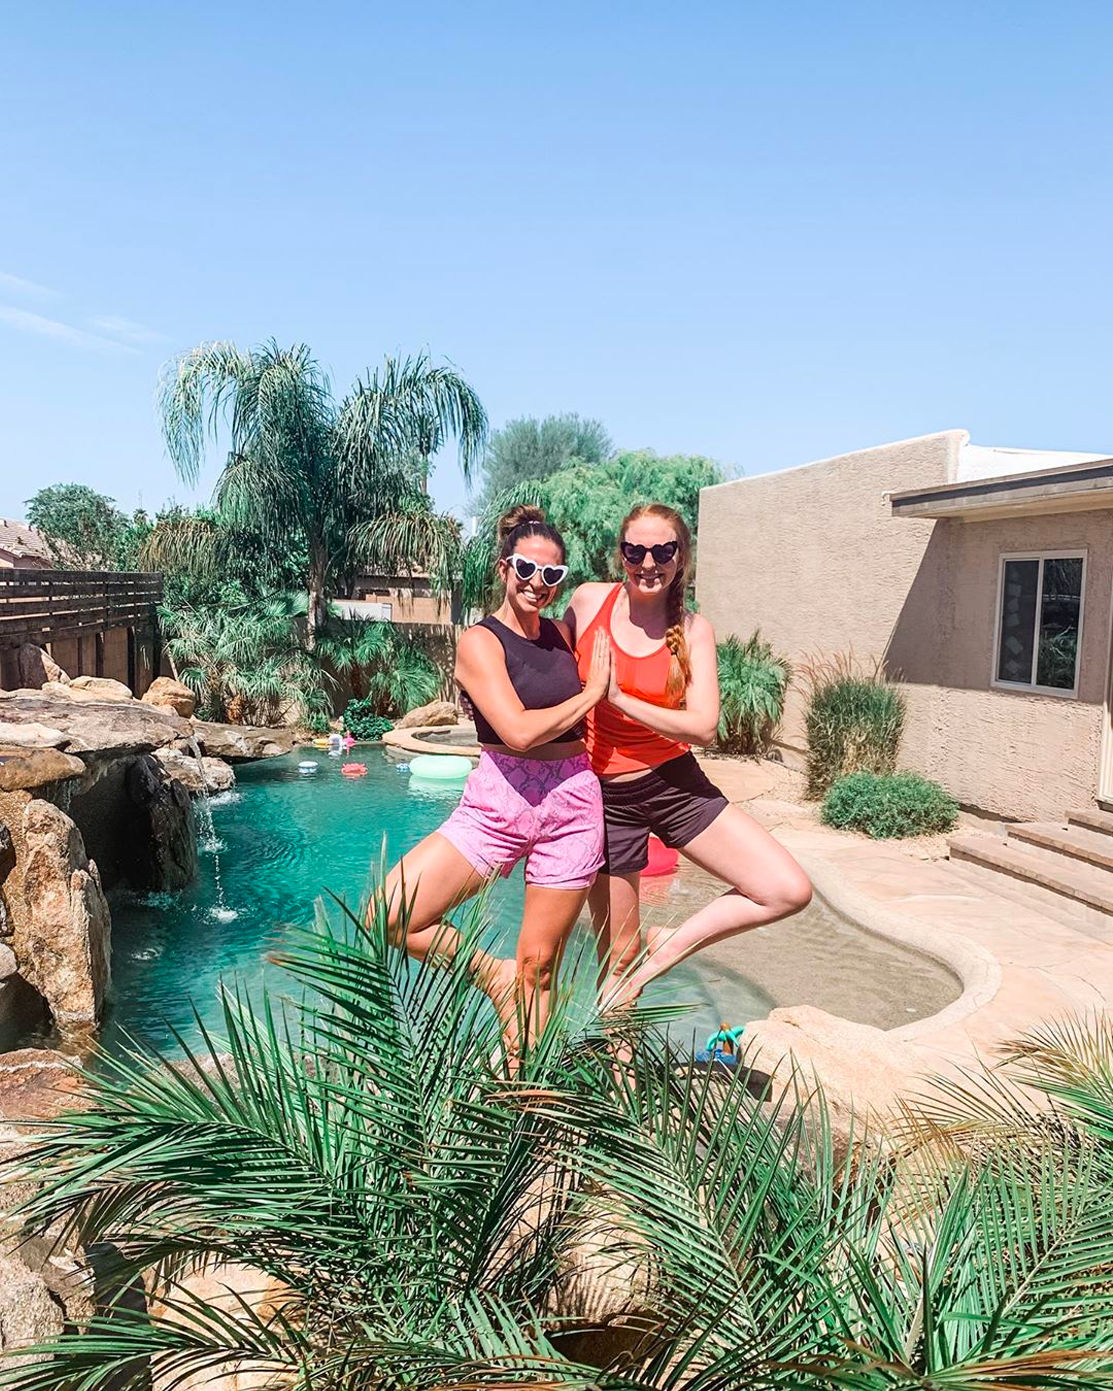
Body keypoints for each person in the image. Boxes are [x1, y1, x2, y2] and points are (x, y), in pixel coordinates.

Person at [380, 504, 611, 1051]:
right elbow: (518, 732)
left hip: (572, 805)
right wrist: (591, 694)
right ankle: (493, 977)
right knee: (391, 915)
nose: (538, 583)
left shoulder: (562, 634)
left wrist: (642, 573)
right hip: (498, 799)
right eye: (526, 569)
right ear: (504, 567)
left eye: (552, 574)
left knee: (539, 968)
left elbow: (611, 594)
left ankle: (526, 1109)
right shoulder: (479, 641)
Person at [563, 502, 812, 1008]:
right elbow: (548, 675)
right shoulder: (588, 602)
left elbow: (702, 727)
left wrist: (615, 696)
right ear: (621, 554)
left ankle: (665, 948)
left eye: (663, 551)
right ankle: (617, 1079)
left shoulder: (695, 630)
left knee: (787, 888)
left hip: (673, 782)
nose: (648, 563)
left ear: (682, 557)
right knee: (616, 970)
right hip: (602, 798)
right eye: (636, 550)